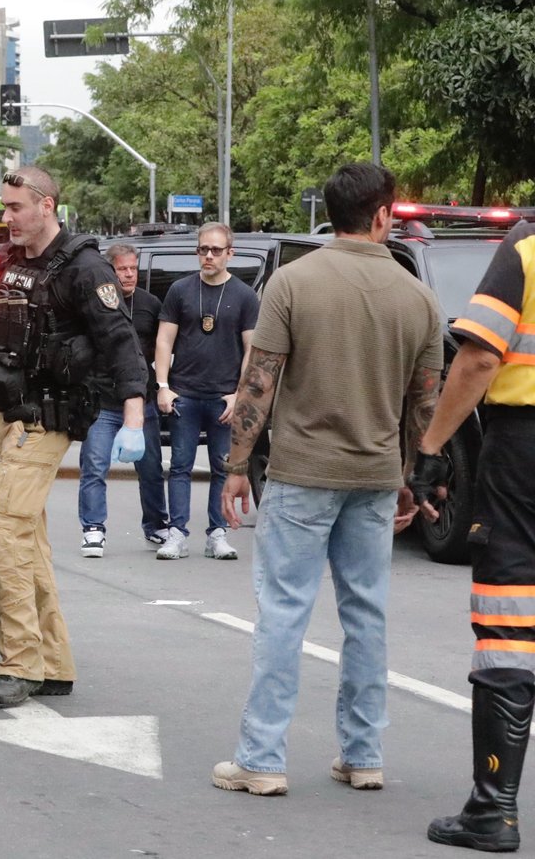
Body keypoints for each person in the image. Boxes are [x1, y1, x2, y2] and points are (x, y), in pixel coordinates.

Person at [210, 162, 441, 798]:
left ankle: (260, 759)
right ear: (383, 216)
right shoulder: (417, 297)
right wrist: (408, 476)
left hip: (301, 472)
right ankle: (363, 755)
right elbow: (424, 403)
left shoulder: (292, 282)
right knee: (366, 614)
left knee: (284, 613)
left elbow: (259, 382)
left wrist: (235, 466)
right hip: (374, 475)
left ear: (329, 215)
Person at [0, 167, 149, 708]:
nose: (7, 217)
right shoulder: (8, 263)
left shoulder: (86, 269)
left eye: (16, 207)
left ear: (47, 205)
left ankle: (19, 663)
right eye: (4, 207)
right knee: (27, 542)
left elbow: (120, 343)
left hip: (50, 420)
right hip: (6, 418)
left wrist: (134, 420)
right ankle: (53, 664)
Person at [407, 217, 535, 848]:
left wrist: (432, 447)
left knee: (510, 621)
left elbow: (481, 354)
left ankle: (494, 809)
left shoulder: (528, 245)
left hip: (526, 454)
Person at [152, 223, 259, 561]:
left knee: (221, 467)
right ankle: (177, 533)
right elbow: (164, 339)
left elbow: (251, 350)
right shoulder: (180, 290)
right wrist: (164, 387)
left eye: (215, 250)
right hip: (185, 392)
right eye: (203, 249)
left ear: (231, 252)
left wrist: (238, 395)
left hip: (224, 397)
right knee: (180, 465)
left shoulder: (244, 295)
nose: (208, 256)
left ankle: (217, 533)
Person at [77, 243, 169, 557]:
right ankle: (93, 528)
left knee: (152, 468)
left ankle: (156, 525)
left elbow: (165, 347)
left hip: (142, 401)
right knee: (95, 466)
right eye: (122, 269)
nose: (129, 275)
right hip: (102, 400)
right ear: (110, 271)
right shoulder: (96, 304)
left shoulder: (150, 304)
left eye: (133, 268)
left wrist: (164, 383)